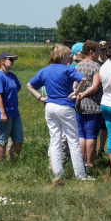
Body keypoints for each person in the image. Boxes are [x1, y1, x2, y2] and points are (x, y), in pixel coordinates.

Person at [26, 44, 94, 183]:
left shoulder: (45, 70)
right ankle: (80, 174)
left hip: (50, 106)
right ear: (63, 56)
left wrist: (40, 98)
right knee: (73, 140)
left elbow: (29, 85)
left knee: (55, 140)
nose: (70, 57)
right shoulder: (67, 69)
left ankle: (57, 173)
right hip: (65, 106)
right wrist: (76, 92)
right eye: (68, 55)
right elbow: (83, 79)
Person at [75, 40, 104, 170]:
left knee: (82, 134)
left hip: (79, 105)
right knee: (91, 135)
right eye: (97, 51)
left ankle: (81, 163)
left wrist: (79, 95)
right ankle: (90, 163)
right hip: (94, 105)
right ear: (91, 52)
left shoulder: (78, 66)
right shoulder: (96, 66)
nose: (99, 54)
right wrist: (84, 94)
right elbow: (95, 86)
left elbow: (74, 85)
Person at [0, 52, 22, 162]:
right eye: (11, 60)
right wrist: (2, 113)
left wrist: (11, 94)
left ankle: (13, 163)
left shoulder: (11, 75)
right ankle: (1, 166)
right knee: (3, 140)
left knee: (18, 140)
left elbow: (18, 87)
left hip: (14, 112)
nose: (13, 62)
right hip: (2, 113)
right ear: (3, 61)